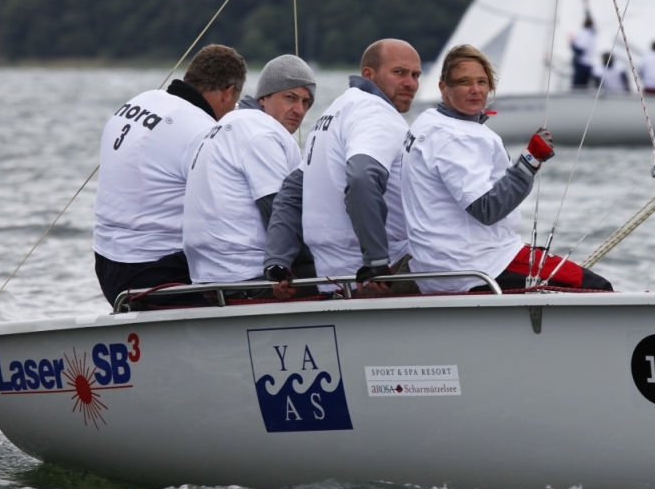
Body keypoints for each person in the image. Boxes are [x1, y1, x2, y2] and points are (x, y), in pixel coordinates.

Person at [400, 44, 613, 294]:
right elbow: (486, 209)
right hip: (477, 264)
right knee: (594, 287)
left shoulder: (427, 121)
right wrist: (529, 161)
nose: (475, 90)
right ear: (443, 87)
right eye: (464, 82)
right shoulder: (456, 137)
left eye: (482, 82)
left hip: (440, 263)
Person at [93, 44, 246, 305]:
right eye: (236, 103)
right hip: (151, 273)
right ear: (228, 93)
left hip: (105, 261)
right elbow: (228, 213)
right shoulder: (203, 130)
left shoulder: (143, 99)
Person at [264, 39, 421, 293]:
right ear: (368, 74)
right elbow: (361, 179)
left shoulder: (334, 112)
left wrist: (277, 261)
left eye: (415, 75)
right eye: (399, 72)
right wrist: (376, 261)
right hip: (380, 273)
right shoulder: (377, 113)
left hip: (332, 279)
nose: (410, 83)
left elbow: (291, 193)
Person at [182, 55, 315, 287]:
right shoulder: (260, 132)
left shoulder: (228, 124)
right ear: (263, 97)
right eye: (290, 97)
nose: (299, 110)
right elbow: (279, 212)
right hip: (247, 274)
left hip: (206, 273)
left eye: (306, 102)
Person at [570, 13, 597, 88]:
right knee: (584, 88)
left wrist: (572, 43)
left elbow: (580, 50)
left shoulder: (584, 33)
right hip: (589, 64)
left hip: (581, 63)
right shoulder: (593, 34)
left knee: (577, 87)